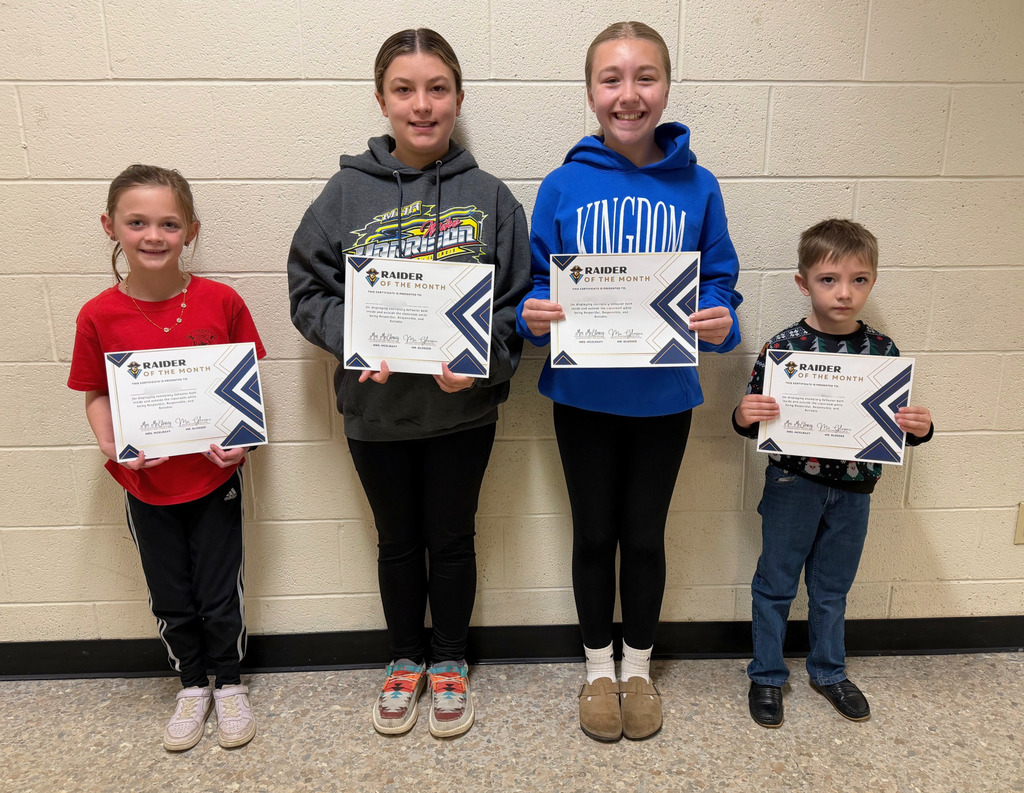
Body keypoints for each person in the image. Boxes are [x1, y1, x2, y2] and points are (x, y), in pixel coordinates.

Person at [287, 28, 530, 739]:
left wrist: (483, 361)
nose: (421, 106)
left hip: (463, 413)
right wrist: (355, 338)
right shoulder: (344, 193)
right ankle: (403, 658)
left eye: (437, 89)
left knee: (452, 538)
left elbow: (514, 307)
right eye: (404, 89)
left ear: (458, 97)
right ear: (381, 98)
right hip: (377, 413)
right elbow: (308, 293)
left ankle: (449, 659)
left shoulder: (489, 197)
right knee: (396, 541)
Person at [516, 21, 743, 742]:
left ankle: (637, 666)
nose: (628, 93)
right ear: (590, 93)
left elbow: (721, 280)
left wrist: (721, 319)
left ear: (666, 87)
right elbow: (530, 285)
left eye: (645, 76)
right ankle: (595, 670)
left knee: (643, 536)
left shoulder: (699, 186)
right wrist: (533, 314)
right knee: (593, 534)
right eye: (611, 79)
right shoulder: (562, 184)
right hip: (583, 395)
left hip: (664, 396)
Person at [68, 164, 266, 751]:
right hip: (144, 486)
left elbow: (245, 383)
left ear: (190, 231)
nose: (153, 235)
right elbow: (96, 393)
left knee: (218, 590)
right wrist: (112, 446)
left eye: (168, 224)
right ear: (111, 227)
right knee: (169, 593)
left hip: (213, 479)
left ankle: (229, 684)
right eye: (137, 222)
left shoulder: (221, 301)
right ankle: (191, 684)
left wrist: (242, 442)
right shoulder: (97, 315)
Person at [733, 218, 934, 728]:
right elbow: (750, 422)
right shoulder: (782, 349)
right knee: (776, 582)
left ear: (872, 282)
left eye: (859, 280)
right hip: (791, 485)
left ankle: (828, 671)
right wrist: (743, 415)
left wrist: (918, 427)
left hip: (854, 491)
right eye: (829, 279)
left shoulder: (883, 352)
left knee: (832, 587)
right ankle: (767, 674)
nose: (844, 293)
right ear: (804, 284)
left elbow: (892, 427)